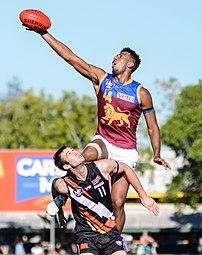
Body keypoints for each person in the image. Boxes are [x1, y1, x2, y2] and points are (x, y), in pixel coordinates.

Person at [26, 27, 171, 231]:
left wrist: (156, 154)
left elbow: (153, 127)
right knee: (84, 156)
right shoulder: (102, 79)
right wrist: (44, 34)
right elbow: (71, 58)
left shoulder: (141, 93)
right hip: (103, 140)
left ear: (130, 64)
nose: (114, 58)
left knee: (118, 203)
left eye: (120, 56)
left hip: (125, 151)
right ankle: (61, 198)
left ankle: (115, 241)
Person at [46, 145, 159, 255]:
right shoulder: (64, 184)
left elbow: (126, 168)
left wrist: (143, 196)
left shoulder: (101, 167)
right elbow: (55, 186)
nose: (75, 152)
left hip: (110, 231)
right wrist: (60, 211)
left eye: (73, 149)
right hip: (86, 235)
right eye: (69, 154)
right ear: (66, 166)